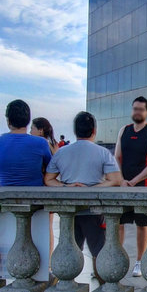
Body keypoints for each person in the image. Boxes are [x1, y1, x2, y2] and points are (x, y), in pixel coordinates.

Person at [44, 111, 122, 259]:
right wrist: (91, 189)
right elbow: (116, 179)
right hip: (94, 212)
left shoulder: (61, 153)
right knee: (100, 255)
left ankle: (67, 281)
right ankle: (102, 281)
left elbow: (48, 179)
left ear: (75, 131)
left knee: (68, 255)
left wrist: (67, 187)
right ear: (94, 130)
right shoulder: (103, 153)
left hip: (69, 211)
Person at [115, 95, 147, 277]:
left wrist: (134, 181)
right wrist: (120, 180)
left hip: (143, 186)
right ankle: (117, 260)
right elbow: (117, 157)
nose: (137, 112)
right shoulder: (124, 130)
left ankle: (140, 262)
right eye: (134, 108)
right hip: (123, 185)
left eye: (140, 109)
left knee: (142, 225)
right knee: (119, 222)